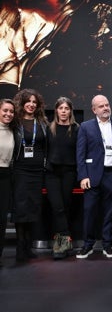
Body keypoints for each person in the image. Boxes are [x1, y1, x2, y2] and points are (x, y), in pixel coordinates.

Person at [76, 95, 112, 259]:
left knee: (109, 212)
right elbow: (80, 154)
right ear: (94, 109)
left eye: (107, 105)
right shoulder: (85, 126)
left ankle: (107, 245)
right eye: (101, 106)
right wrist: (83, 176)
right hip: (92, 175)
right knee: (89, 212)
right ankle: (87, 245)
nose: (105, 108)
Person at [12, 88, 48, 262]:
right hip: (20, 170)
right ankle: (20, 247)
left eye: (35, 102)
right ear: (22, 102)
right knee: (21, 207)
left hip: (37, 171)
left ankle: (28, 246)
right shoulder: (15, 122)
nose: (32, 104)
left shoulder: (41, 122)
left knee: (33, 207)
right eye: (29, 101)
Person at [45, 97, 79, 259]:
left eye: (66, 108)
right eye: (61, 108)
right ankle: (64, 243)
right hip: (51, 173)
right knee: (57, 207)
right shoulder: (48, 128)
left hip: (69, 173)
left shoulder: (76, 129)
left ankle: (61, 244)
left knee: (64, 207)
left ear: (70, 111)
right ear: (56, 110)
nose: (64, 111)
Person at [0, 99, 16, 267]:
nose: (8, 114)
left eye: (11, 111)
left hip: (5, 176)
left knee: (2, 218)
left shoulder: (12, 131)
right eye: (5, 110)